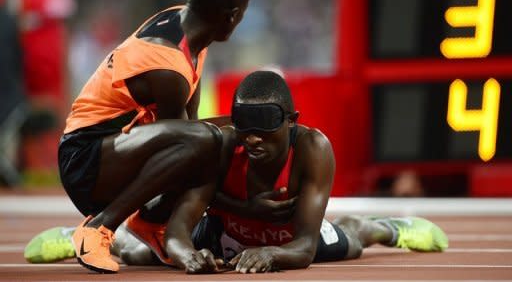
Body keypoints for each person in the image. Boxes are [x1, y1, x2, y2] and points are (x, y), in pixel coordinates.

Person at [25, 71, 448, 273]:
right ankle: (81, 234)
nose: (255, 144)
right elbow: (182, 223)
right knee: (142, 255)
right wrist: (190, 252)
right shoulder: (223, 143)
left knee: (351, 239)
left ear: (292, 123)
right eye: (247, 134)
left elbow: (301, 246)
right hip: (226, 232)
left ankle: (390, 228)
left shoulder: (314, 148)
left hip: (287, 238)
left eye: (266, 134)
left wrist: (270, 252)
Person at [50, 0, 250, 274]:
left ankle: (153, 226)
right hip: (84, 159)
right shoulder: (168, 67)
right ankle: (99, 227)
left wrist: (241, 126)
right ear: (232, 16)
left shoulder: (191, 33)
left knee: (213, 140)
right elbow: (187, 140)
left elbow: (190, 129)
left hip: (117, 150)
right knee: (208, 140)